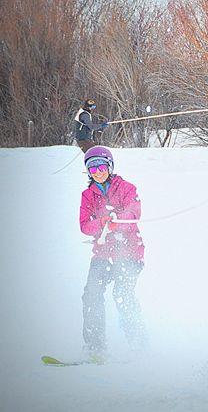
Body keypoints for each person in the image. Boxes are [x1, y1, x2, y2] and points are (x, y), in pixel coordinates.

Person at [79, 146, 147, 360]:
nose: (97, 171)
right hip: (102, 254)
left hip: (129, 252)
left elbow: (133, 212)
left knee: (122, 294)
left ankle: (138, 344)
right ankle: (95, 347)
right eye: (92, 168)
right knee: (91, 295)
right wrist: (101, 222)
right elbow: (84, 225)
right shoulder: (87, 195)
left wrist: (116, 222)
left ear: (109, 166)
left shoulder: (127, 188)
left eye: (101, 166)